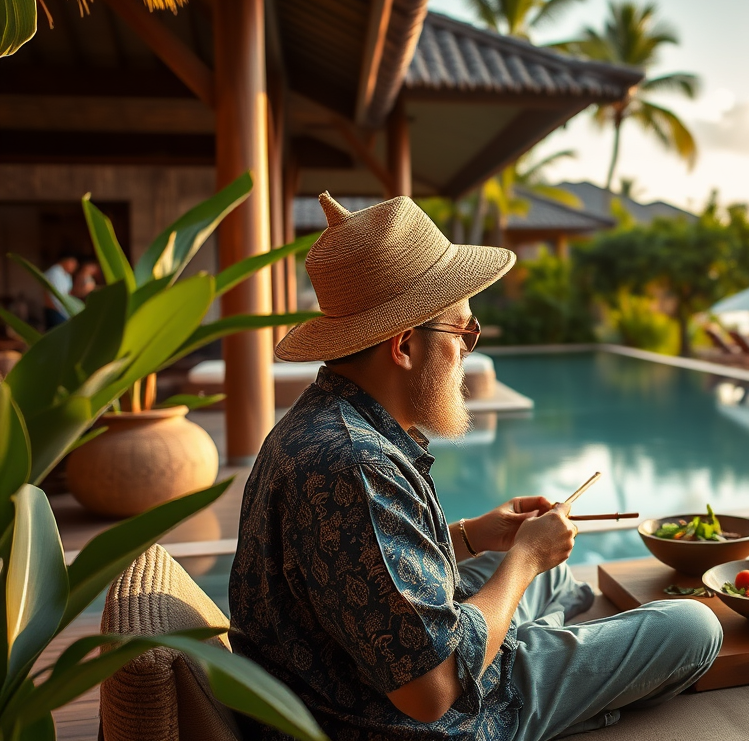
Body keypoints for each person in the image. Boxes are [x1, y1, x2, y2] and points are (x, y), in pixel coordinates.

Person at [229, 194, 722, 741]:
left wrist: (470, 536)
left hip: (345, 677)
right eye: (461, 329)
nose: (468, 346)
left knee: (553, 572)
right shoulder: (355, 464)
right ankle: (531, 665)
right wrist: (522, 560)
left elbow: (355, 570)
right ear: (404, 346)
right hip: (399, 720)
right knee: (694, 626)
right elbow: (429, 691)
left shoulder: (325, 421)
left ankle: (526, 644)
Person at [41, 254, 77, 329]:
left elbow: (68, 292)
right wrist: (53, 308)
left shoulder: (67, 275)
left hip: (64, 310)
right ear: (65, 261)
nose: (74, 266)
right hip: (54, 309)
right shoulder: (54, 273)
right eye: (72, 263)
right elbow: (47, 293)